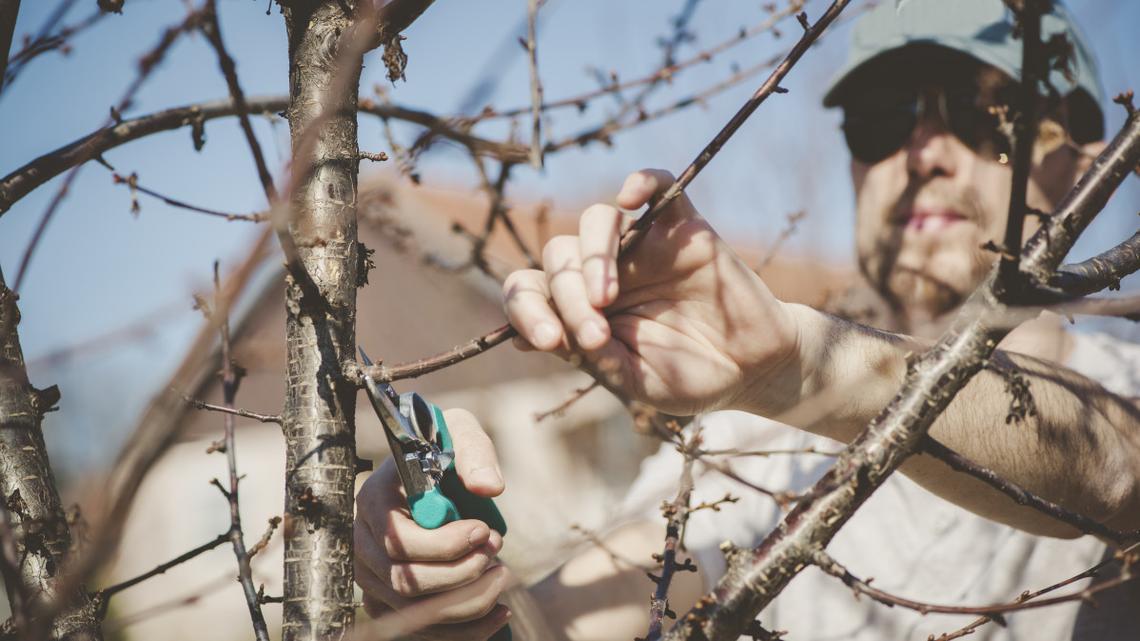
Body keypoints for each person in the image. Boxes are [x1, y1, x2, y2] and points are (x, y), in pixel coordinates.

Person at [353, 0, 1140, 639]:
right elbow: (570, 617)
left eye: (982, 112)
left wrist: (798, 363)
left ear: (1080, 153)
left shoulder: (1128, 379)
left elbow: (1114, 468)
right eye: (881, 115)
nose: (923, 149)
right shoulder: (751, 440)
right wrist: (451, 601)